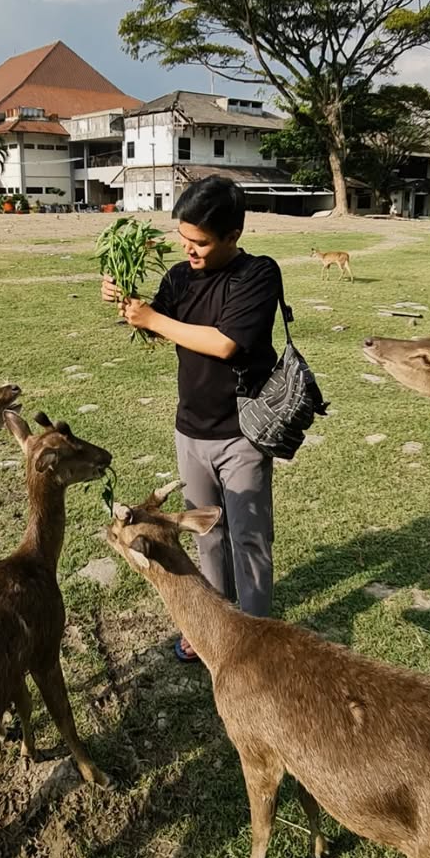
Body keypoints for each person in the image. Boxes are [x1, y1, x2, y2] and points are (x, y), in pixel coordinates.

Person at [101, 177, 280, 660]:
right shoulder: (180, 277)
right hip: (191, 429)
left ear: (233, 235)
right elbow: (156, 326)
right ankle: (210, 628)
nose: (188, 249)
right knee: (206, 534)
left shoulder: (257, 275)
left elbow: (225, 343)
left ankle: (255, 639)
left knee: (249, 538)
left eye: (199, 242)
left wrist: (153, 319)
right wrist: (126, 303)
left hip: (242, 433)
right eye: (183, 238)